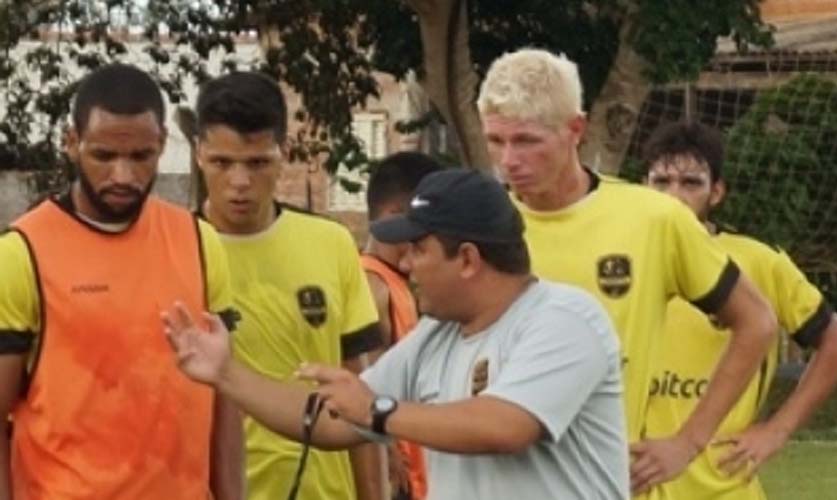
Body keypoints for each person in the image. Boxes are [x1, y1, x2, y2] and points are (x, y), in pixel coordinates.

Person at [162, 169, 631, 500]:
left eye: (418, 250)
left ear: (467, 260)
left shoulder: (564, 318)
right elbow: (332, 420)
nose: (405, 265)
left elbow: (505, 426)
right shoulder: (436, 337)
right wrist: (225, 374)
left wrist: (378, 411)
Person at [476, 48, 778, 495]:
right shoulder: (479, 226)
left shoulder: (651, 219)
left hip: (603, 485)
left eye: (526, 141)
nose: (508, 160)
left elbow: (757, 322)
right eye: (495, 141)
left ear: (575, 129)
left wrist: (689, 442)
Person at [0, 64, 242, 499]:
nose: (123, 177)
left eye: (140, 157)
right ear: (72, 143)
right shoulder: (22, 254)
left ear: (162, 144)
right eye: (104, 156)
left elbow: (224, 404)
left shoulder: (199, 242)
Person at [193, 71, 383, 500]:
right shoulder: (175, 250)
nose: (240, 182)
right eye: (223, 163)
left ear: (283, 154)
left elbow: (359, 393)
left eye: (257, 163)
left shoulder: (331, 243)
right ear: (200, 154)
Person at [641, 120, 837, 500]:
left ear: (716, 192)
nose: (674, 195)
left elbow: (835, 341)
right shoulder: (621, 262)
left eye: (690, 183)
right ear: (643, 188)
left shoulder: (758, 263)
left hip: (722, 485)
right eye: (661, 181)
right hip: (633, 482)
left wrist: (777, 429)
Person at [360, 151, 444, 500]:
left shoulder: (398, 284)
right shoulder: (371, 284)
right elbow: (367, 387)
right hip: (397, 475)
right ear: (394, 218)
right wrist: (389, 455)